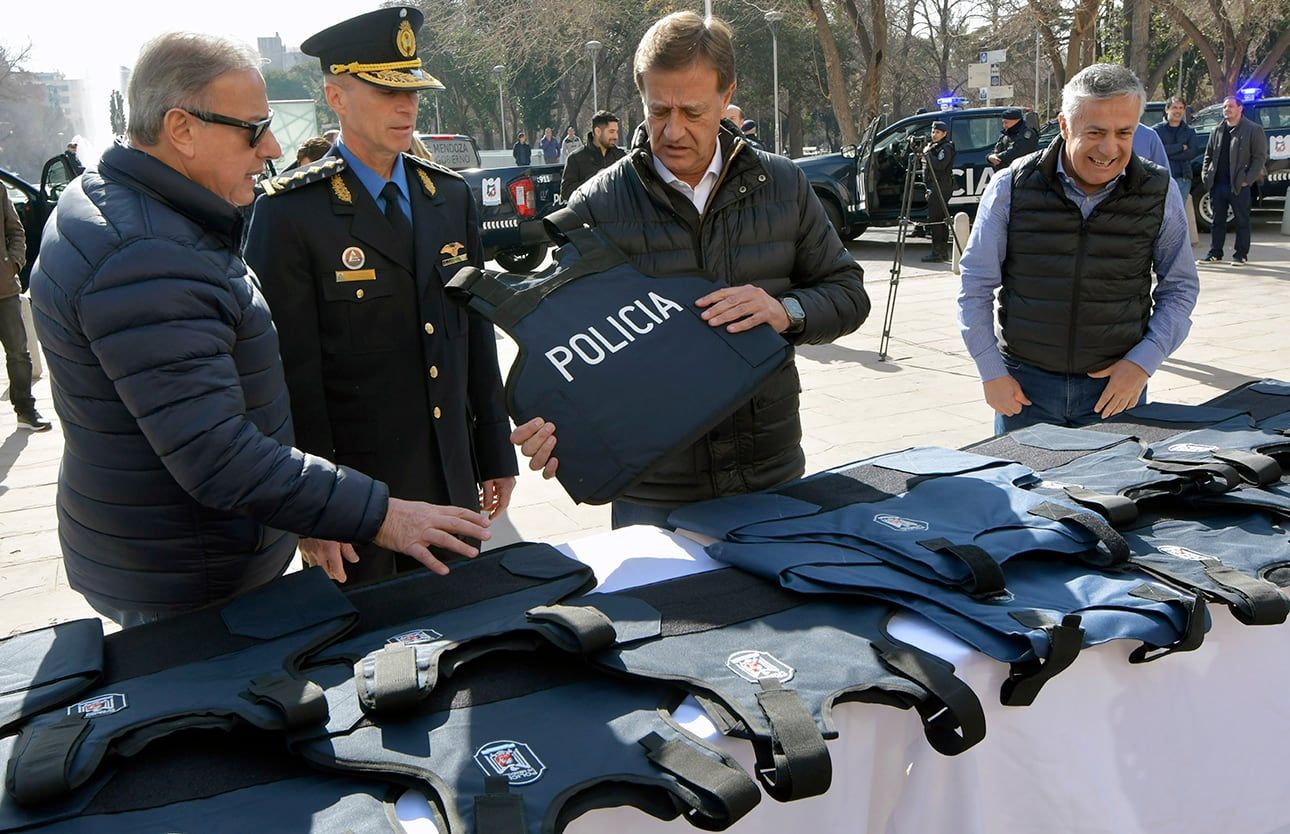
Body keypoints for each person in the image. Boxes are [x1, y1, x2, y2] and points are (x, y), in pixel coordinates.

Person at [29, 31, 491, 627]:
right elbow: (220, 452)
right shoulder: (145, 253)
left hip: (176, 547)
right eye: (253, 129)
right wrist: (376, 515)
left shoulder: (124, 209)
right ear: (181, 128)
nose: (271, 147)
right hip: (191, 568)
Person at [514, 12, 869, 529]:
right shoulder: (595, 206)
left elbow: (848, 292)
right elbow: (566, 348)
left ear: (728, 96)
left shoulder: (784, 184)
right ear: (641, 97)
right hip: (653, 495)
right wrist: (554, 426)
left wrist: (785, 311)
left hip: (770, 477)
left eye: (693, 111)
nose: (673, 130)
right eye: (659, 110)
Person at [245, 7, 517, 586]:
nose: (406, 107)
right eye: (386, 91)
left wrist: (494, 451)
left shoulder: (448, 197)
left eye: (412, 91)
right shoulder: (290, 213)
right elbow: (290, 379)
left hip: (449, 481)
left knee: (467, 626)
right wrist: (312, 509)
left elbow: (474, 334)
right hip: (358, 503)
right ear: (336, 97)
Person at [958, 64, 1199, 435]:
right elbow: (975, 285)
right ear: (1064, 125)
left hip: (1116, 393)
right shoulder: (1011, 186)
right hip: (1024, 392)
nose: (1109, 148)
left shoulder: (1158, 191)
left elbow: (1180, 288)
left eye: (1124, 133)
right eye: (1095, 132)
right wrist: (991, 372)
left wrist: (1142, 363)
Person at [1, 183, 49, 431]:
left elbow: (16, 231)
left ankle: (25, 410)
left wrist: (13, 263)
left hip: (4, 288)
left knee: (19, 353)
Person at [1198, 95, 1268, 265]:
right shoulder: (1217, 130)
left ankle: (1240, 254)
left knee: (1242, 220)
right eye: (1224, 107)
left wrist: (1247, 179)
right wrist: (1206, 175)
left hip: (1239, 184)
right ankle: (1215, 253)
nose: (1226, 109)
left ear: (1240, 108)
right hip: (1218, 184)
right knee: (1217, 221)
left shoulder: (1253, 129)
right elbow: (1208, 155)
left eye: (1230, 106)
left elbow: (1259, 157)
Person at [559, 109, 624, 201]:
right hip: (589, 210)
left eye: (616, 131)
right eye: (611, 132)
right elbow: (566, 193)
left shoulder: (621, 157)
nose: (616, 136)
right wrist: (595, 180)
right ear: (598, 131)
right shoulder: (576, 158)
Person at [921, 120, 955, 263]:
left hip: (941, 186)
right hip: (934, 186)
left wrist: (927, 154)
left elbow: (940, 165)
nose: (934, 134)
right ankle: (942, 252)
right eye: (933, 132)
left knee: (936, 220)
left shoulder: (946, 148)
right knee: (939, 220)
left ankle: (937, 253)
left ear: (944, 134)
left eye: (938, 132)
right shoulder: (934, 146)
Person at [1153, 96, 1198, 198]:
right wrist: (1180, 147)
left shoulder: (1189, 131)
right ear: (1167, 109)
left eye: (1181, 108)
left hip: (1183, 179)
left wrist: (1167, 153)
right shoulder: (1156, 131)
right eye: (1174, 107)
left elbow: (1192, 153)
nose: (1178, 111)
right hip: (1162, 179)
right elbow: (1157, 151)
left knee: (1179, 208)